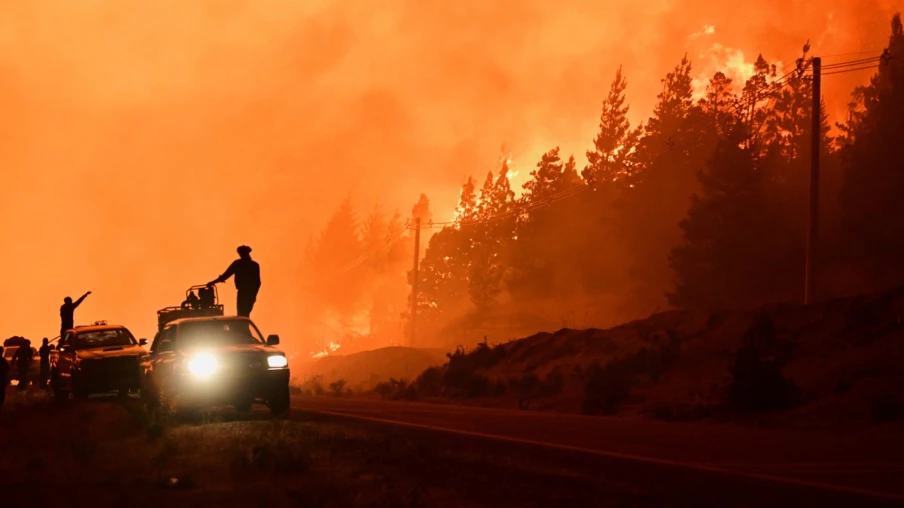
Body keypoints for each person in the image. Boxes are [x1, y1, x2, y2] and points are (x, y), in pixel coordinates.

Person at [208, 245, 261, 318]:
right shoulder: (254, 265)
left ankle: (242, 325)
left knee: (242, 314)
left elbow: (226, 275)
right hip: (249, 293)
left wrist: (213, 282)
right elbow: (258, 283)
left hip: (244, 293)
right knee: (245, 314)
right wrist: (254, 295)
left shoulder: (238, 264)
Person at [0, 346, 9, 411]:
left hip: (2, 380)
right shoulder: (3, 360)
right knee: (2, 394)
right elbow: (8, 370)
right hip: (2, 380)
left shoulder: (3, 360)